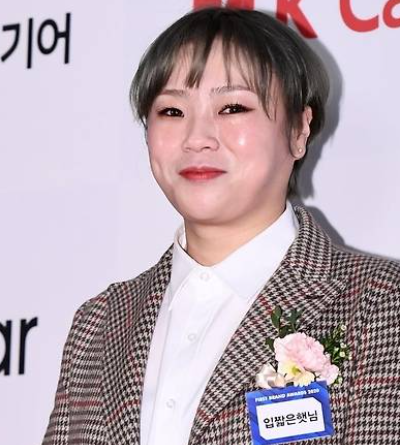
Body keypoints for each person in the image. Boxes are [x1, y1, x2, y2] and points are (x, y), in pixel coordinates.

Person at [42, 7, 400, 445]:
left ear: (298, 130)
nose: (197, 138)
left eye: (232, 107)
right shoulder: (98, 325)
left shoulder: (382, 306)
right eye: (172, 111)